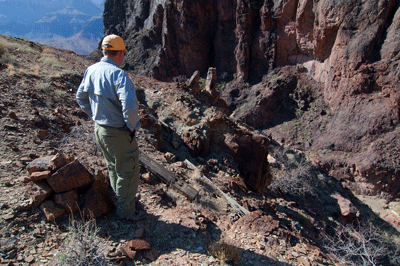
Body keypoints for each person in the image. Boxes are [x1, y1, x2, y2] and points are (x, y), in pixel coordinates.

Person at [76, 34, 141, 220]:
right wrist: (131, 126)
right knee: (127, 172)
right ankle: (126, 214)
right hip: (118, 132)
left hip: (100, 130)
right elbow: (129, 106)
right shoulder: (118, 75)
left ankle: (120, 200)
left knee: (113, 167)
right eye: (123, 53)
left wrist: (95, 114)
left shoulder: (91, 69)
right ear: (120, 53)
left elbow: (80, 97)